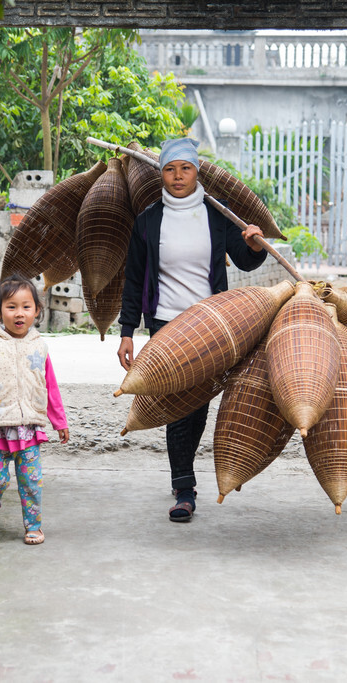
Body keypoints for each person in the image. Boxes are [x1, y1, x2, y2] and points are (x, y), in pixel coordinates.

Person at [116, 137, 267, 523]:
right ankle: (185, 488)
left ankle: (182, 472)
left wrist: (254, 243)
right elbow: (133, 280)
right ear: (161, 174)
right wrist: (127, 331)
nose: (178, 176)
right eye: (170, 169)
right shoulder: (149, 220)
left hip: (211, 323)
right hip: (167, 323)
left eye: (185, 168)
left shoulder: (217, 214)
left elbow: (246, 263)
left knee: (197, 404)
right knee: (176, 406)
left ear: (197, 172)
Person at [0, 274, 69, 545]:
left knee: (31, 482)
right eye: (11, 307)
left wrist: (59, 421)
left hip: (29, 428)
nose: (19, 313)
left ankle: (33, 526)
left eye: (26, 306)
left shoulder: (40, 347)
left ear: (37, 310)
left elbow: (50, 386)